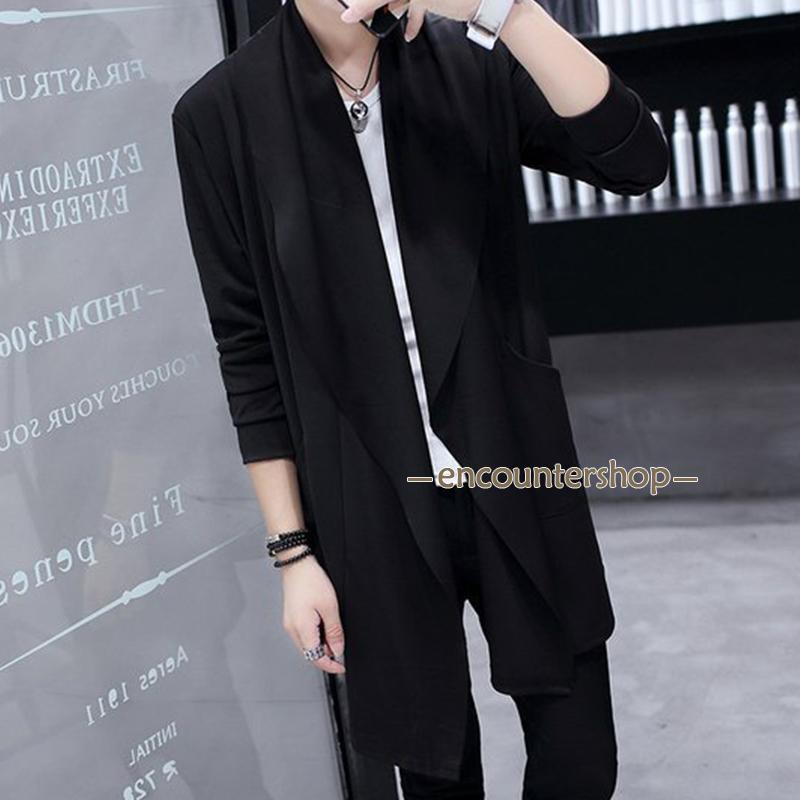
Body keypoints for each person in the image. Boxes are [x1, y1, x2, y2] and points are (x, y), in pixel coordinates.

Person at [171, 0, 669, 796]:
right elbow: (247, 349)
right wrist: (293, 554)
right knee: (435, 769)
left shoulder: (466, 58)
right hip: (366, 494)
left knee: (580, 756)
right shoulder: (220, 113)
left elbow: (636, 159)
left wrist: (503, 9)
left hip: (511, 454)